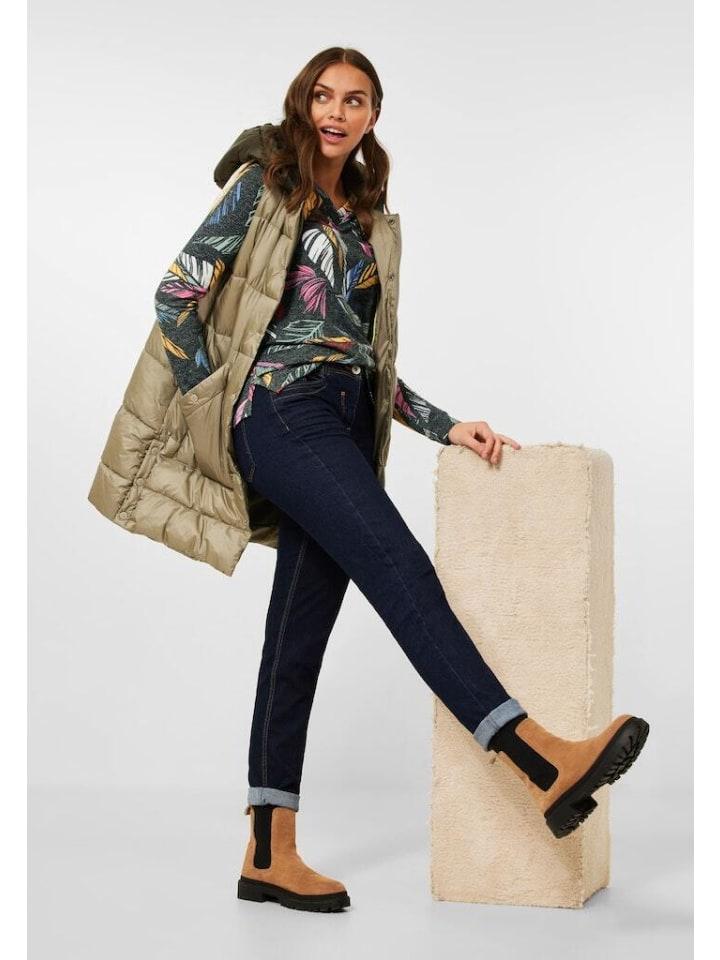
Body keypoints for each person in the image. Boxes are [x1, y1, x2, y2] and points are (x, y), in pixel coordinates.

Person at [153, 48, 650, 913]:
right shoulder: (266, 186)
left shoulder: (372, 220)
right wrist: (220, 404)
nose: (335, 112)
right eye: (322, 96)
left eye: (354, 100)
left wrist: (443, 423)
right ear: (302, 104)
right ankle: (538, 759)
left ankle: (268, 850)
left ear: (374, 116)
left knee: (296, 637)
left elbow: (365, 357)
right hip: (281, 415)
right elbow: (176, 296)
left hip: (344, 419)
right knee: (400, 567)